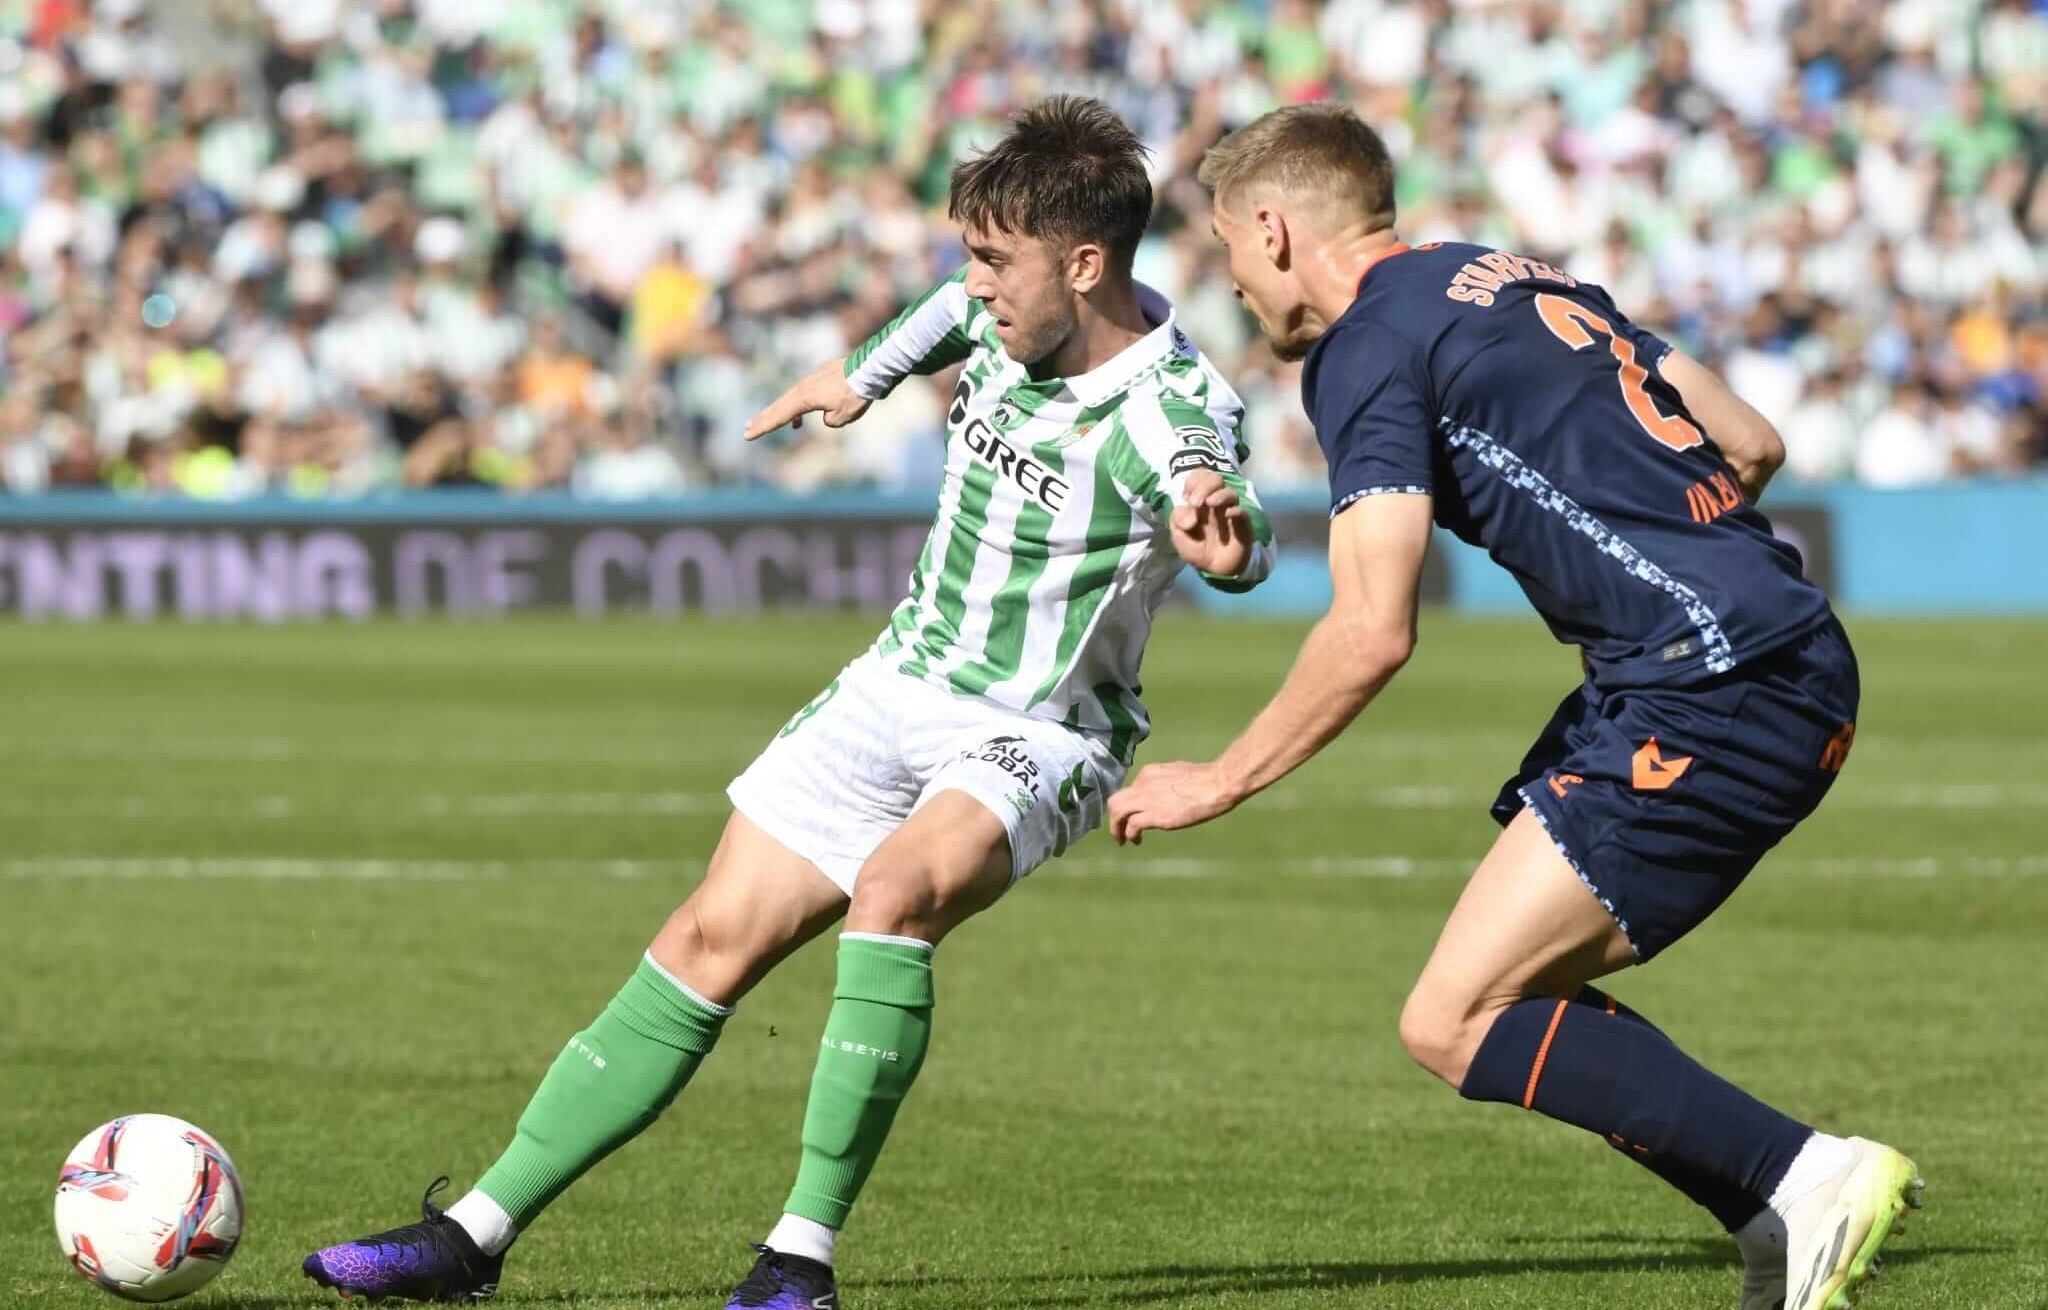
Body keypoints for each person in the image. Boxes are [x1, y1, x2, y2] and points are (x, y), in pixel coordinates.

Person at [301, 94, 1274, 1309]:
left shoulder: (1165, 409)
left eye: (993, 260)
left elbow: (1217, 509)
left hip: (1037, 727)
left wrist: (1228, 545)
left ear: (1082, 266)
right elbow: (938, 314)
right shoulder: (1002, 316)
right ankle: (471, 1239)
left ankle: (795, 1265)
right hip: (896, 679)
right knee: (706, 938)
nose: (972, 284)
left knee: (894, 891)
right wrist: (857, 376)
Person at [1108, 104, 1920, 1310]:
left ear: (1272, 229)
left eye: (1227, 246)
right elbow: (1748, 444)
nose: (1230, 279)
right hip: (1764, 647)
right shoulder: (1514, 275)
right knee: (1505, 992)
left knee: (1452, 1018)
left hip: (1709, 682)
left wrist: (1217, 777)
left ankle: (1804, 1175)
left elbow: (1370, 629)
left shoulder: (1364, 348)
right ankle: (1767, 1213)